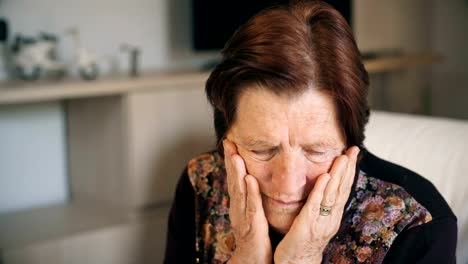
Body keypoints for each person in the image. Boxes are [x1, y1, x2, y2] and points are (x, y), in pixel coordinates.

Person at [164, 1, 457, 263]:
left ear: (350, 144)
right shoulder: (200, 183)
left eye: (315, 151)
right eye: (261, 149)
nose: (288, 184)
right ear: (226, 139)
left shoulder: (419, 224)